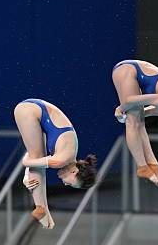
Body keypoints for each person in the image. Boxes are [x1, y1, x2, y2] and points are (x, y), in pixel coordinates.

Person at [14, 98, 97, 229]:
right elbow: (27, 161)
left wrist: (28, 173)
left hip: (35, 108)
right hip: (28, 110)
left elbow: (34, 162)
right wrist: (26, 175)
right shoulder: (61, 160)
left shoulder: (69, 155)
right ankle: (41, 209)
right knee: (37, 158)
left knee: (38, 158)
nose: (64, 183)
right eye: (69, 182)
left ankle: (43, 209)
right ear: (74, 171)